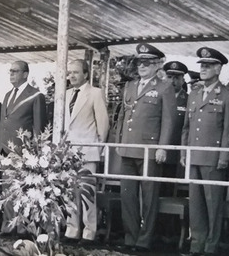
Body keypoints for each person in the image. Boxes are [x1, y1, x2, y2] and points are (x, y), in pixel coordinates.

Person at [115, 43, 177, 252]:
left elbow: (169, 120)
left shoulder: (164, 87)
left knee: (149, 197)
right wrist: (119, 141)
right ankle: (130, 238)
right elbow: (123, 115)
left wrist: (163, 147)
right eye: (140, 62)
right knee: (128, 195)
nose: (142, 66)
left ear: (157, 65)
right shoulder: (130, 86)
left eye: (147, 63)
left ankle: (144, 241)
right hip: (128, 149)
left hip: (150, 150)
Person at [181, 47, 229, 256]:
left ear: (218, 68)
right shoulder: (194, 94)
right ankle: (197, 244)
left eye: (207, 66)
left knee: (213, 204)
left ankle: (211, 247)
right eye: (202, 65)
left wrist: (224, 155)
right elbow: (187, 126)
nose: (203, 69)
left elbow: (228, 129)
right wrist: (183, 151)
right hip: (194, 155)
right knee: (195, 203)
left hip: (213, 158)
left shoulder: (227, 96)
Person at [0, 60, 47, 236]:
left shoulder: (35, 95)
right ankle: (8, 226)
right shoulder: (7, 95)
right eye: (10, 71)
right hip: (6, 150)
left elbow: (39, 127)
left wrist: (35, 152)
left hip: (24, 152)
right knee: (8, 190)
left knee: (24, 191)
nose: (11, 74)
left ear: (25, 74)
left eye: (15, 71)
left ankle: (23, 228)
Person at [63, 59, 109, 243]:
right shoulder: (65, 94)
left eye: (75, 72)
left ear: (85, 74)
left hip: (87, 150)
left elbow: (103, 124)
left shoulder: (95, 93)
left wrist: (97, 148)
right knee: (69, 191)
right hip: (67, 151)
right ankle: (71, 229)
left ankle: (89, 231)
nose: (71, 76)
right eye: (69, 73)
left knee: (87, 193)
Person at [162, 61, 189, 175]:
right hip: (158, 147)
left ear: (182, 80)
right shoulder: (159, 96)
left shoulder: (188, 100)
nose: (172, 81)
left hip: (176, 149)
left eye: (176, 77)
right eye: (169, 77)